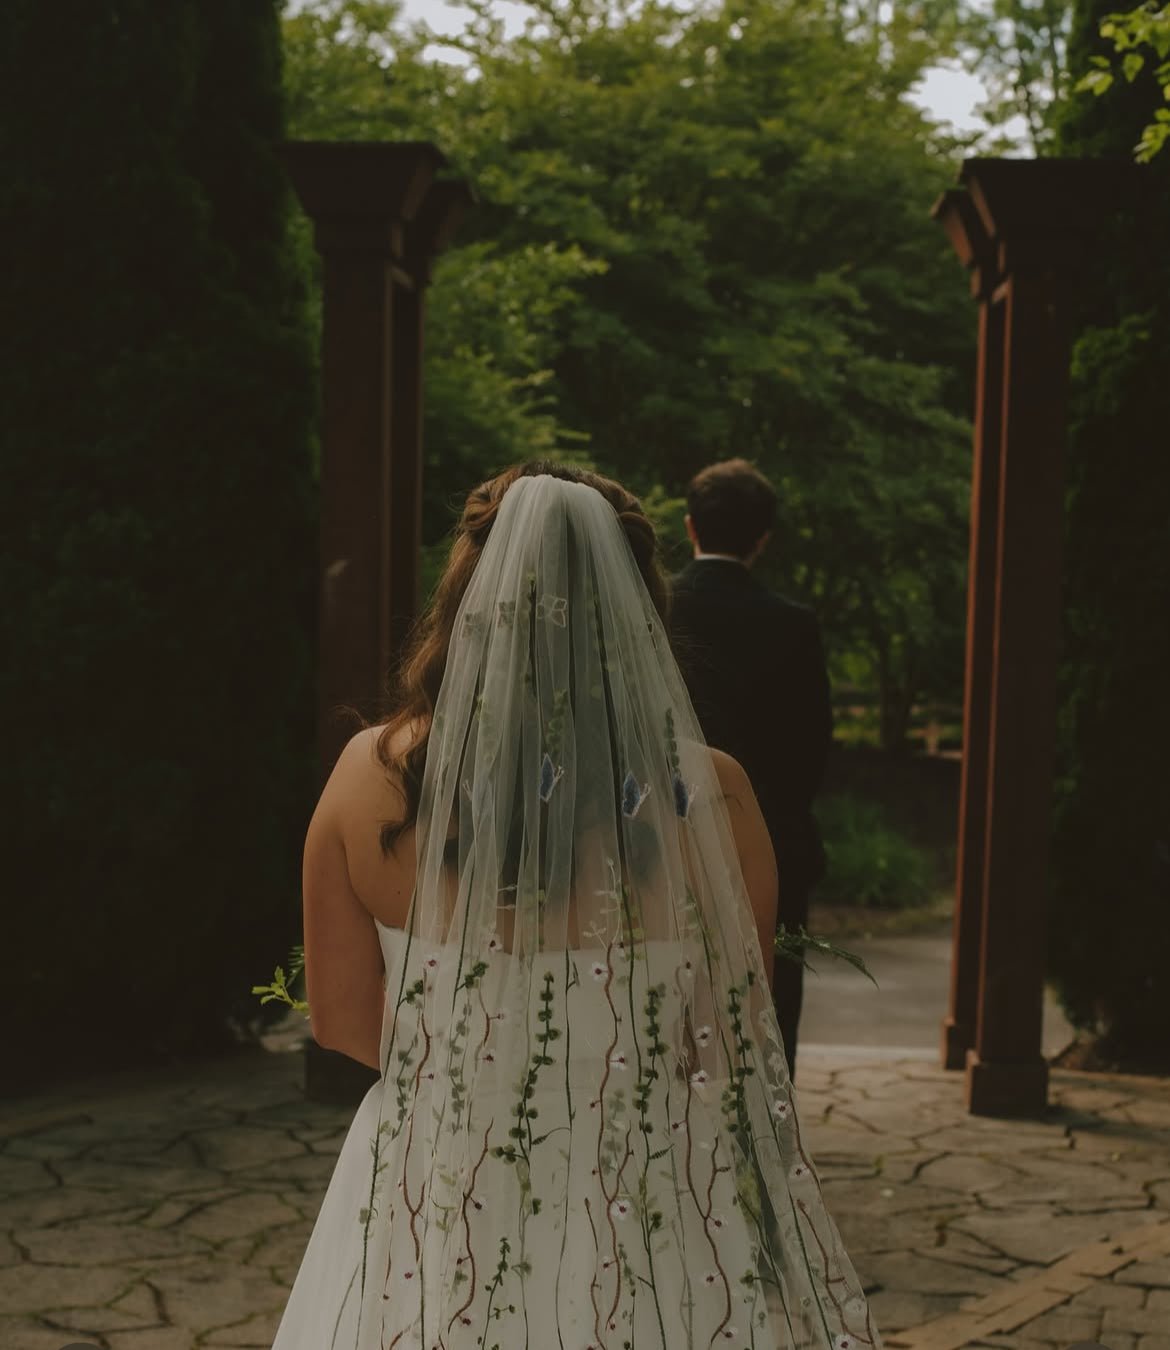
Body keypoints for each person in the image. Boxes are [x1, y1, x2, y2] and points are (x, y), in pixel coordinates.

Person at [273, 463, 881, 1350]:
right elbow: (725, 1032)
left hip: (440, 1185)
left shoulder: (370, 775)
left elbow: (337, 1021)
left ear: (469, 600)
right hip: (649, 1194)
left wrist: (485, 1073)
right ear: (632, 608)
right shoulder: (715, 795)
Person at [670, 460, 833, 1083]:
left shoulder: (658, 606)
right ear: (763, 538)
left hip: (663, 843)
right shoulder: (793, 624)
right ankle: (767, 1137)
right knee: (769, 1004)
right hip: (772, 838)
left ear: (689, 525)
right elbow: (812, 747)